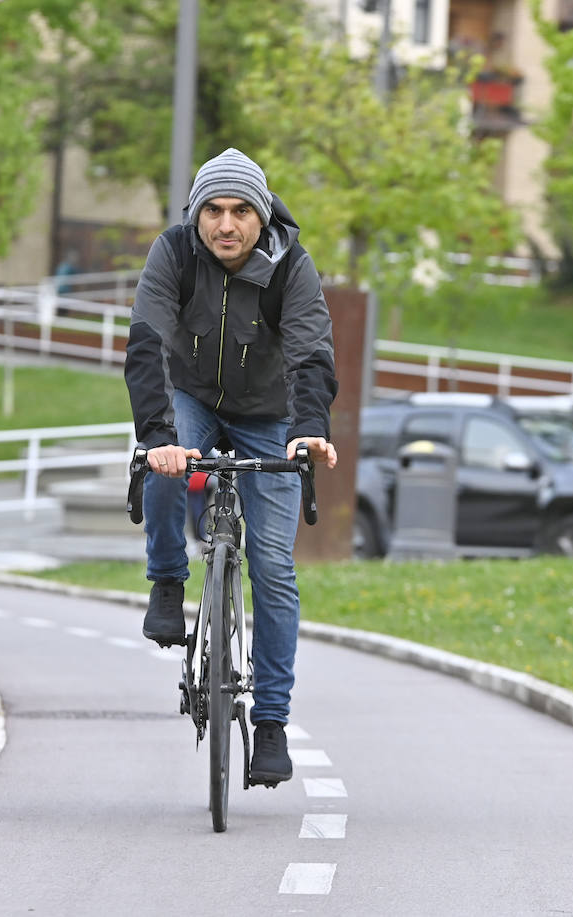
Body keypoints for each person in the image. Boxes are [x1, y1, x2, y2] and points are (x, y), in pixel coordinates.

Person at [124, 148, 338, 785]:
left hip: (269, 413)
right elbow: (147, 344)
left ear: (261, 214)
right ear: (196, 215)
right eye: (213, 211)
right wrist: (158, 436)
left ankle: (270, 723)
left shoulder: (291, 265)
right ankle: (168, 580)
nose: (226, 225)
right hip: (191, 397)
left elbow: (311, 354)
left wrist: (308, 430)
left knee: (273, 565)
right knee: (166, 463)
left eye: (241, 211)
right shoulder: (174, 253)